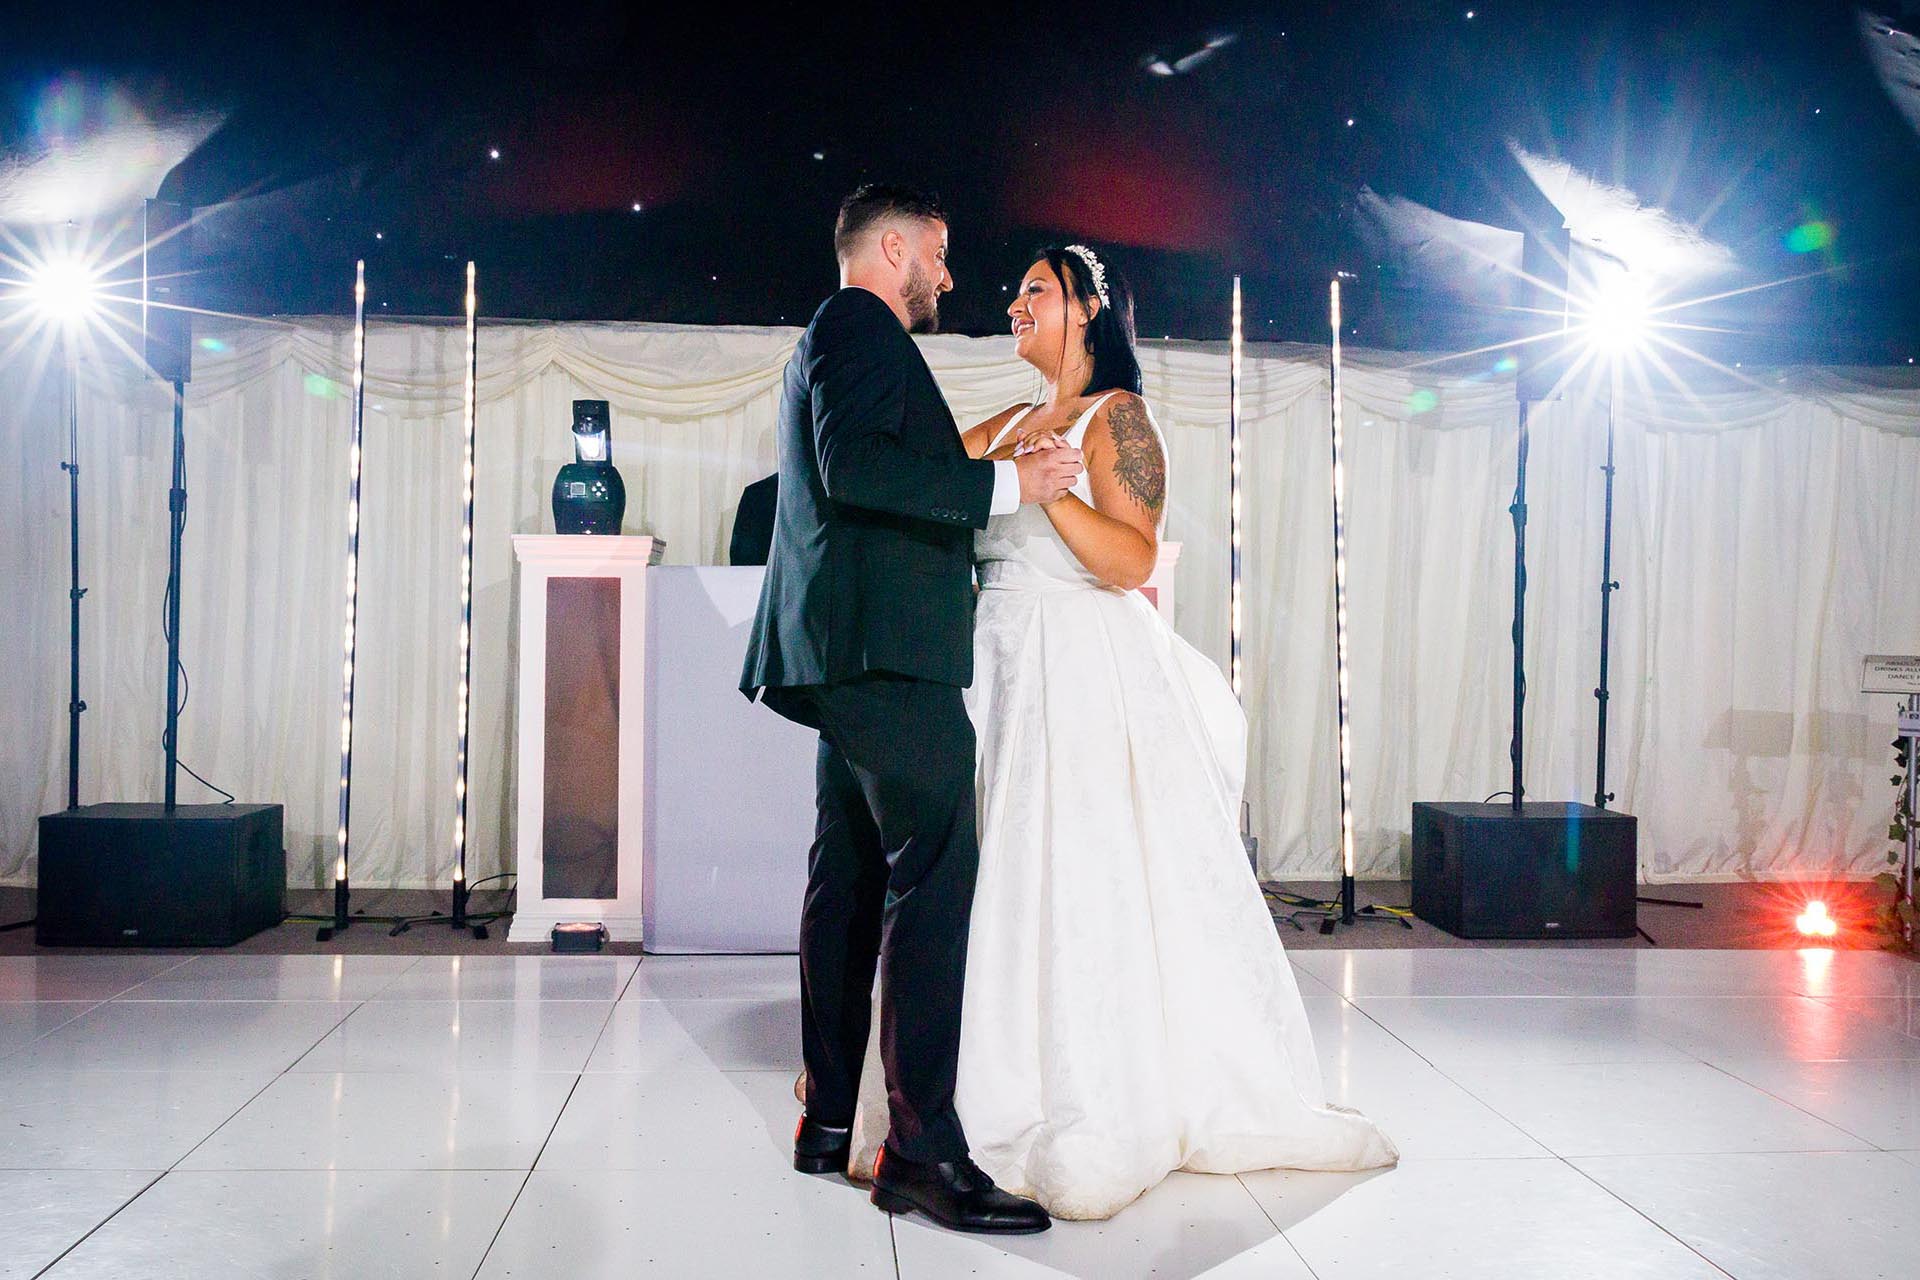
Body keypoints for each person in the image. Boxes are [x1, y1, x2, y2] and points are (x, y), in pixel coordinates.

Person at [845, 244, 1399, 1219]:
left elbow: (1128, 559)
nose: (1014, 302)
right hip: (991, 671)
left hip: (1079, 672)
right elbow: (929, 489)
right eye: (1015, 288)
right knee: (981, 885)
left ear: (1089, 311)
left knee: (1073, 879)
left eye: (1037, 291)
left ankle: (1076, 1092)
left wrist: (1049, 487)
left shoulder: (1119, 417)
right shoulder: (1010, 421)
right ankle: (944, 1101)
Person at [739, 184, 1078, 1235]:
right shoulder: (857, 324)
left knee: (844, 881)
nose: (945, 274)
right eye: (935, 254)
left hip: (849, 652)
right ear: (892, 247)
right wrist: (1009, 486)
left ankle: (831, 1120)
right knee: (931, 880)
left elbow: (867, 470)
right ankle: (924, 1151)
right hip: (884, 657)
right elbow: (857, 468)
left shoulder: (840, 337)